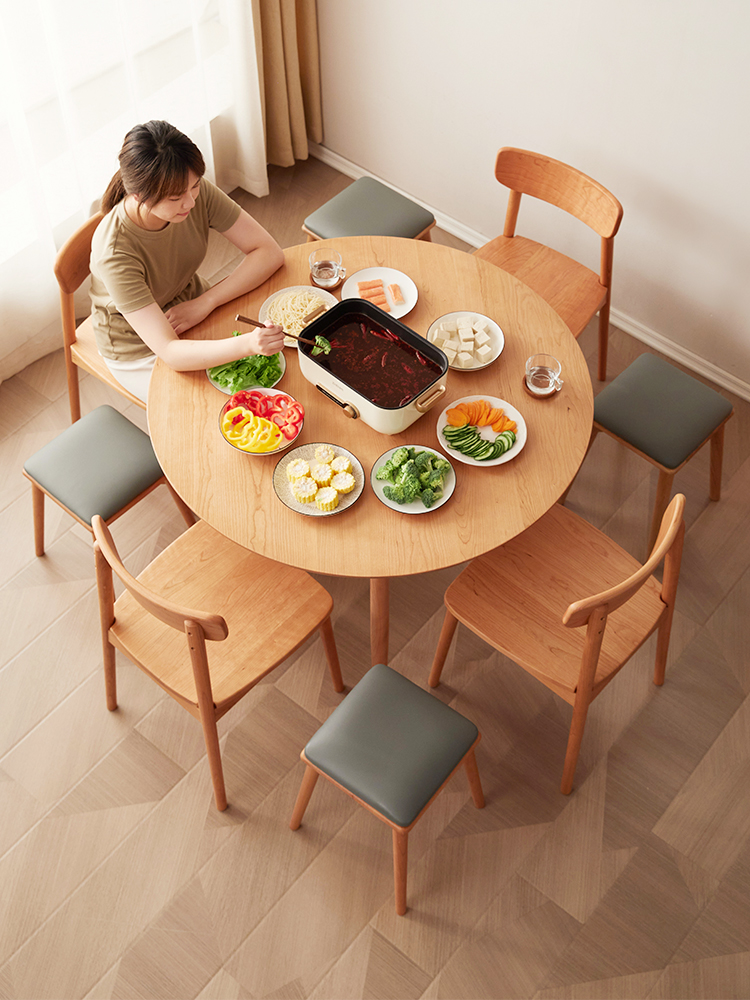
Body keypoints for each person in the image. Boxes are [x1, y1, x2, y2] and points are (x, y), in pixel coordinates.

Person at [89, 120, 286, 402]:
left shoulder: (188, 189)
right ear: (138, 195)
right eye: (175, 198)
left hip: (190, 301)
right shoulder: (114, 252)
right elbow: (170, 352)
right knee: (214, 410)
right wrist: (249, 344)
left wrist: (207, 301)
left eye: (194, 186)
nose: (191, 202)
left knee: (271, 381)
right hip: (138, 345)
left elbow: (268, 252)